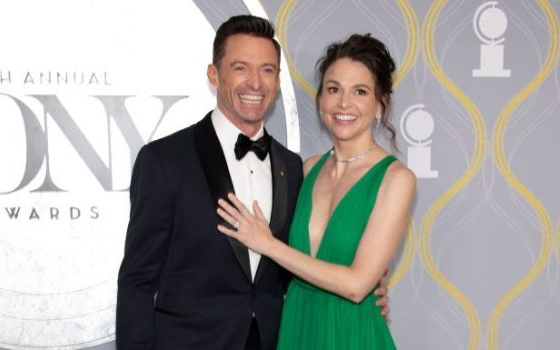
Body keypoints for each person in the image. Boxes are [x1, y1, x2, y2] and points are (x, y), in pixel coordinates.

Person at [116, 16, 388, 350]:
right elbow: (137, 281)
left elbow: (297, 261)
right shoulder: (165, 160)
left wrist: (357, 285)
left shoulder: (293, 167)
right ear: (214, 75)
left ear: (277, 82)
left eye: (267, 70)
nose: (255, 83)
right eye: (241, 68)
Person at [217, 33, 415, 349]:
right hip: (298, 326)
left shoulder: (396, 179)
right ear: (321, 99)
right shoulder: (305, 169)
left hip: (352, 334)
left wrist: (267, 244)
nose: (344, 103)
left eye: (360, 91)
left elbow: (355, 285)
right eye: (333, 89)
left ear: (380, 103)